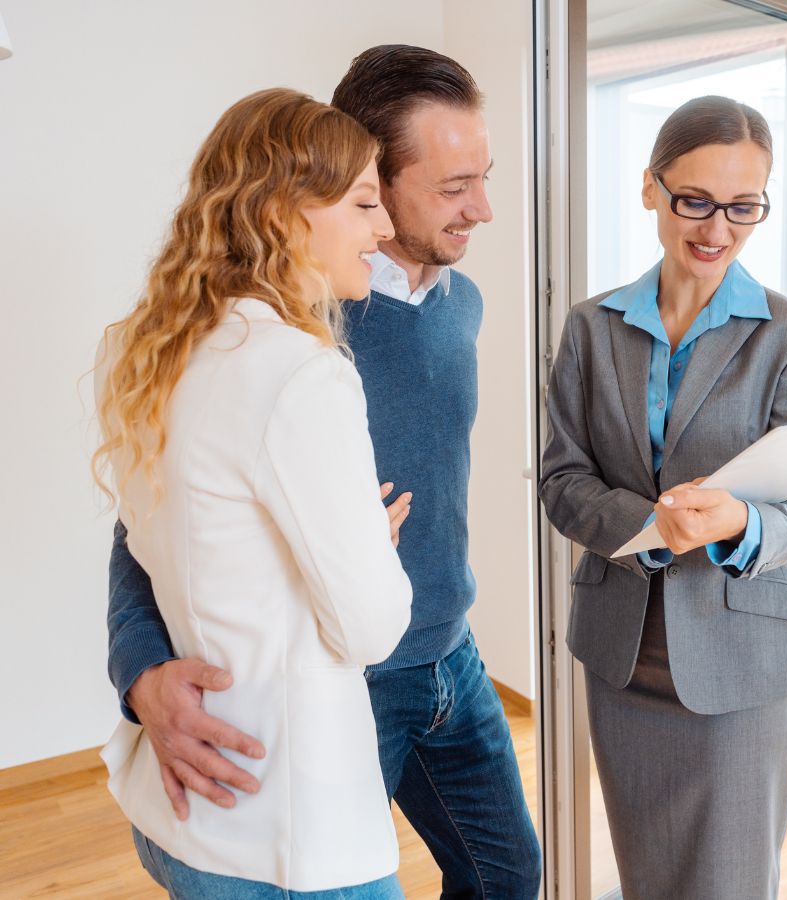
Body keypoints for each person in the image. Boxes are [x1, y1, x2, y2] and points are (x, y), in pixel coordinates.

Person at [104, 46, 541, 899]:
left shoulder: (464, 307)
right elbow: (149, 519)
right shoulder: (294, 329)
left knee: (506, 876)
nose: (483, 209)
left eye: (482, 177)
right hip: (338, 684)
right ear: (368, 168)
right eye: (453, 187)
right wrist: (139, 670)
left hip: (451, 656)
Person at [93, 87, 411, 898]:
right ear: (283, 214)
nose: (385, 229)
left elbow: (147, 546)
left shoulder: (138, 353)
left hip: (181, 808)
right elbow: (372, 629)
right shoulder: (302, 374)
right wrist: (372, 544)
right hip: (290, 829)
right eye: (365, 203)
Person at [539, 95, 787, 900]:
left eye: (744, 207)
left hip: (744, 667)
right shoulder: (591, 328)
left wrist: (738, 521)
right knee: (649, 878)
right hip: (624, 661)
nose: (717, 229)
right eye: (695, 201)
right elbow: (561, 481)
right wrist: (647, 523)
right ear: (651, 189)